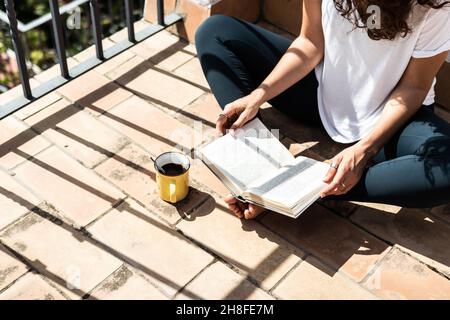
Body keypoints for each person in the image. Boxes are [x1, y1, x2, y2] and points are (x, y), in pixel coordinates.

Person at [195, 0, 450, 219]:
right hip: (321, 92)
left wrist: (365, 149)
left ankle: (297, 191)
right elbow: (310, 43)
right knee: (215, 31)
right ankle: (257, 168)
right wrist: (258, 95)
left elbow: (414, 87)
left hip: (390, 119)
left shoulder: (435, 6)